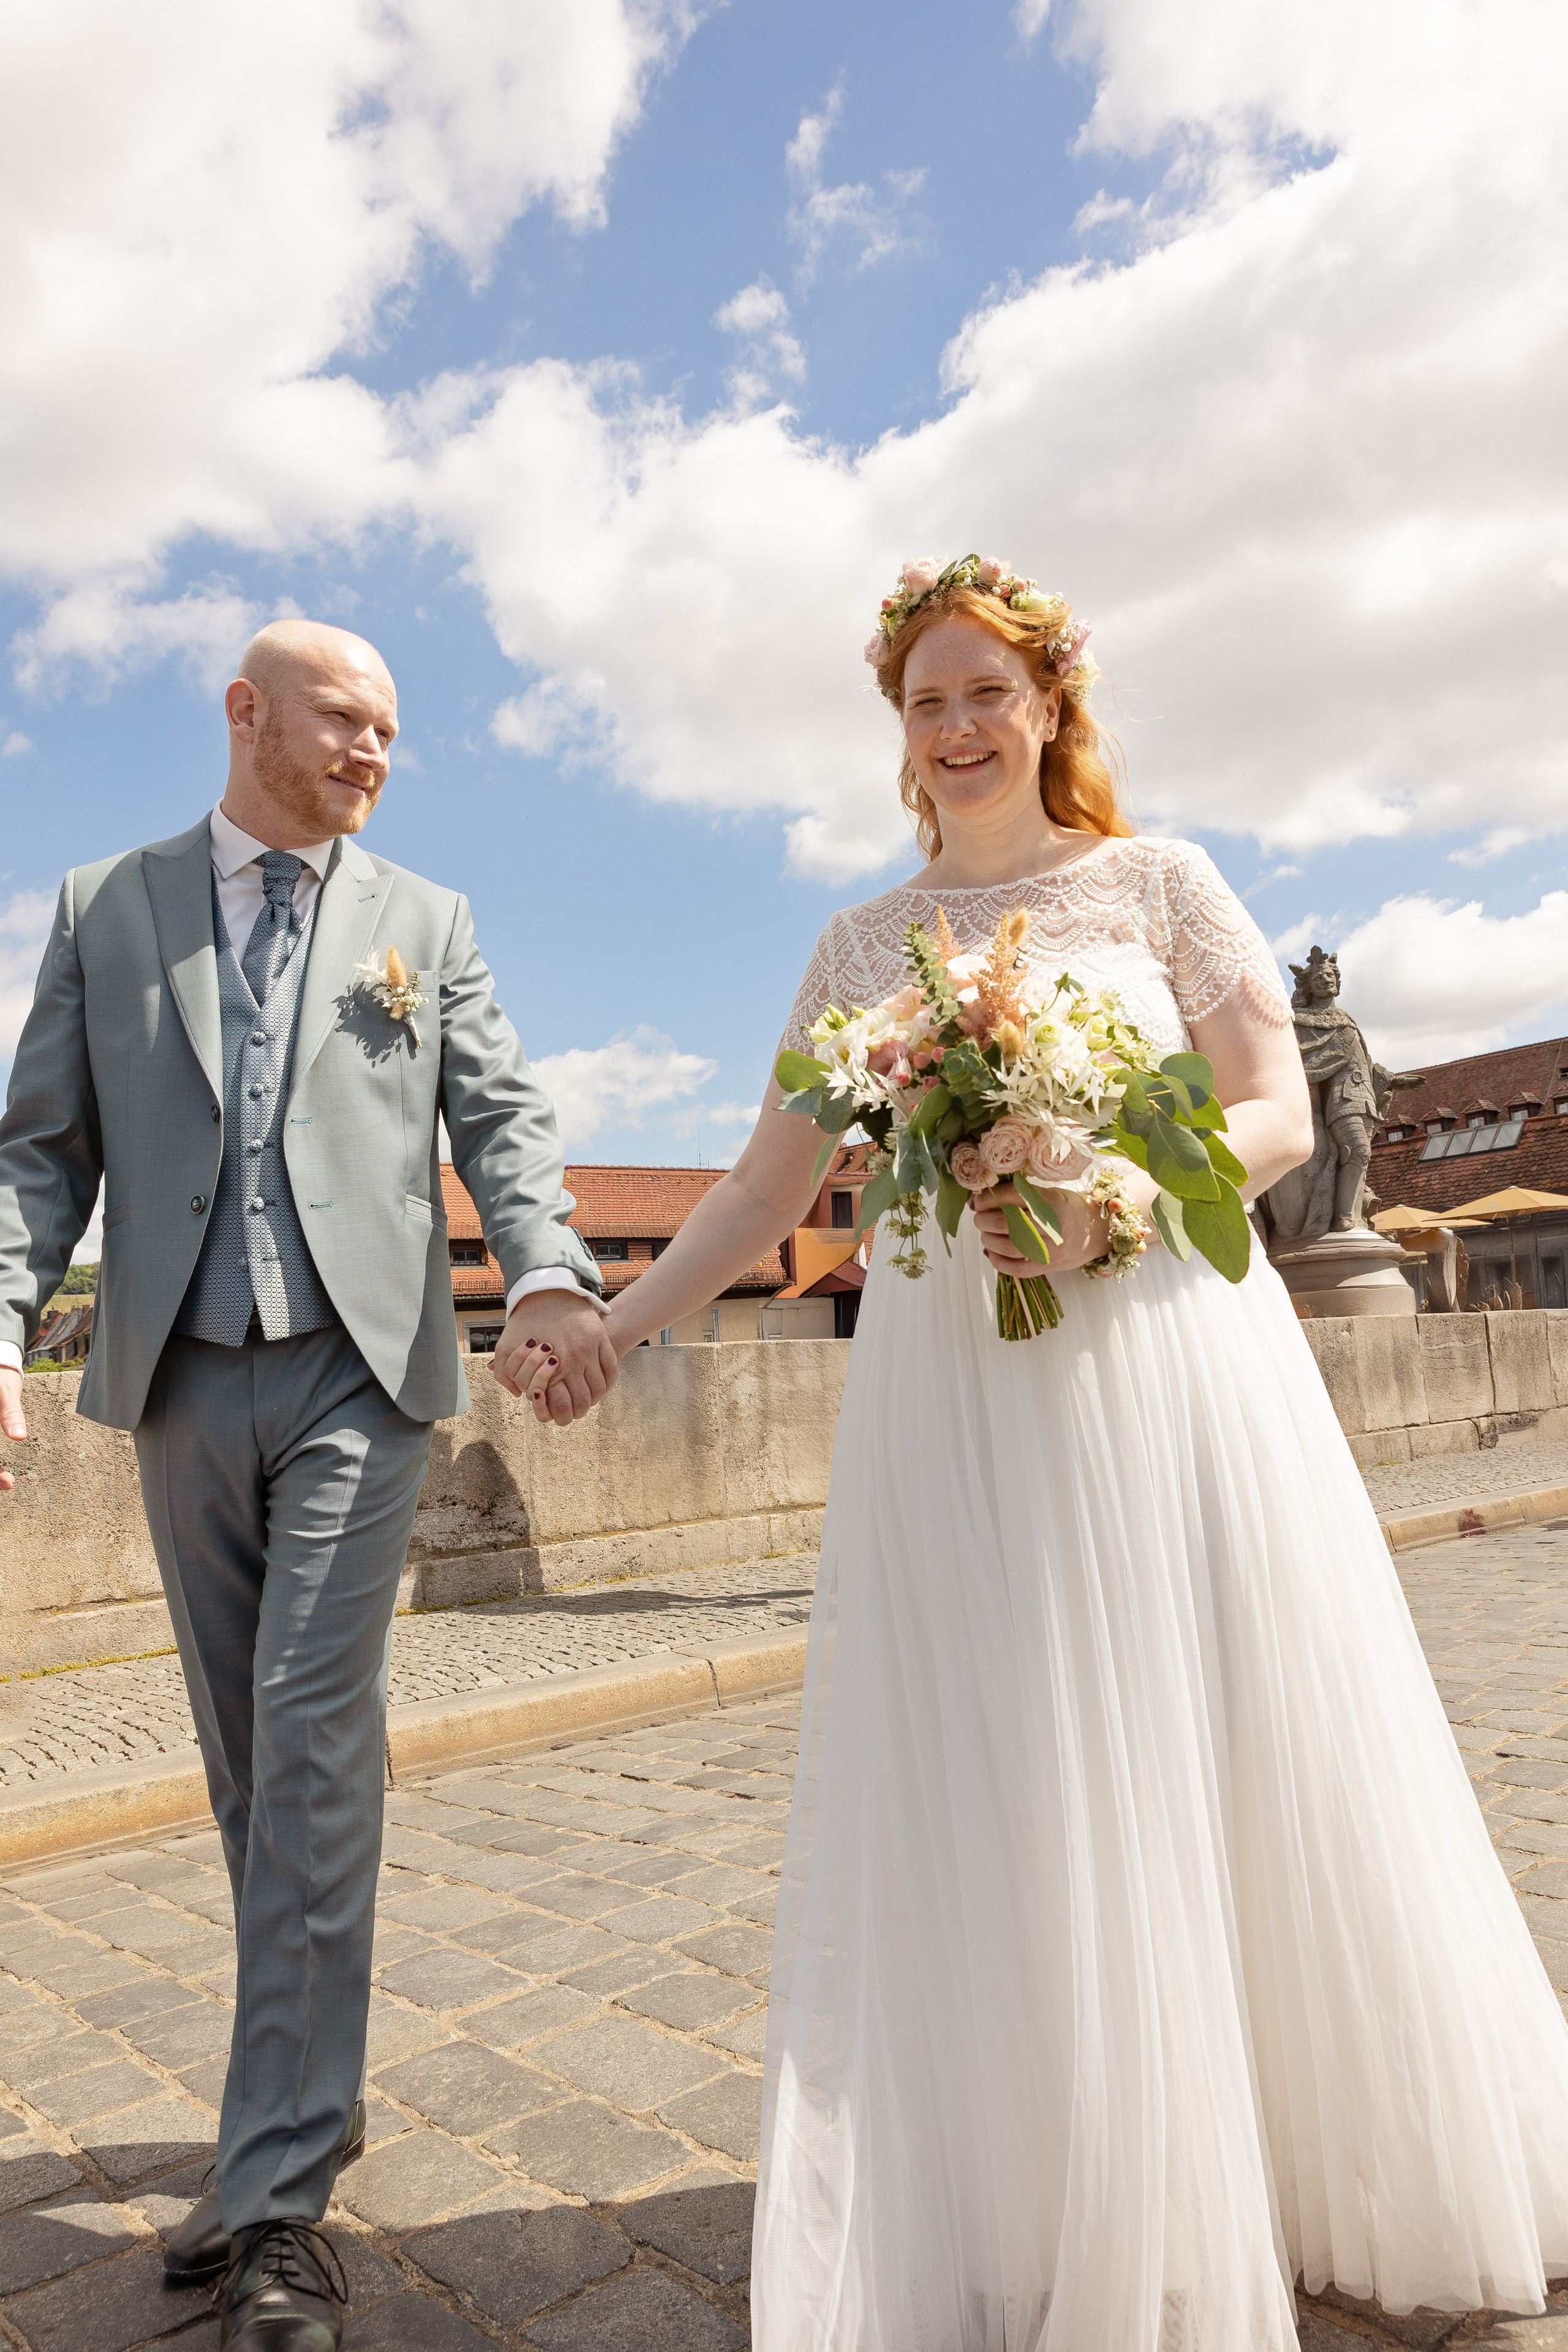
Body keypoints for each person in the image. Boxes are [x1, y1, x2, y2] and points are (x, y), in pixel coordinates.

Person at [592, 563, 1568, 2350]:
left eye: (986, 695)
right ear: (898, 731)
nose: (957, 731)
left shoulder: (1161, 884)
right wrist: (612, 1322)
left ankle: (1281, 2153)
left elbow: (1275, 1109)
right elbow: (759, 1191)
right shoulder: (857, 949)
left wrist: (1122, 1183)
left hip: (1161, 1354)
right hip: (955, 1385)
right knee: (1008, 1751)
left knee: (1228, 1724)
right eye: (923, 704)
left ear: (1050, 705)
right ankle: (1058, 2176)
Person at [0, 620, 616, 2351]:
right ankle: (311, 2097)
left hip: (365, 1372)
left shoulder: (427, 924)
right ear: (248, 712)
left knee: (314, 1740)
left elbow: (502, 1118)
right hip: (181, 1379)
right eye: (350, 721)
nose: (376, 756)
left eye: (395, 734)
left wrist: (553, 1271)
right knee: (250, 1768)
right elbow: (42, 1151)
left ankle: (274, 2199)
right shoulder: (102, 908)